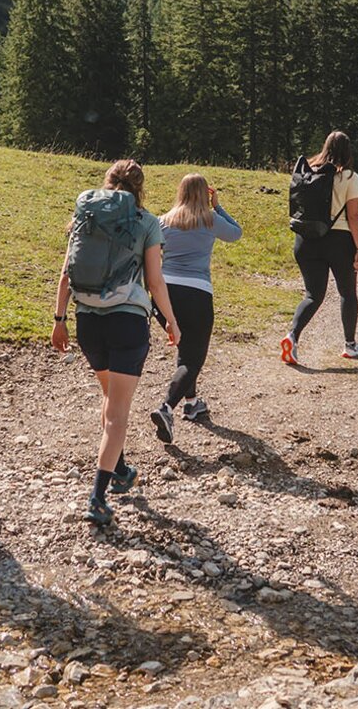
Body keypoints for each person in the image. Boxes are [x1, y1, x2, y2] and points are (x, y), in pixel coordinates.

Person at [52, 159, 179, 527]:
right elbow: (155, 282)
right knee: (118, 416)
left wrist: (59, 320)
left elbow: (66, 273)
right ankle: (98, 496)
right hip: (127, 323)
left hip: (87, 320)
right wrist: (171, 321)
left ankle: (120, 469)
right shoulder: (147, 222)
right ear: (141, 187)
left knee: (110, 400)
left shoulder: (85, 218)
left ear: (106, 183)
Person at [148, 173, 242, 444]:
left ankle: (192, 403)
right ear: (205, 194)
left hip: (163, 294)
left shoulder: (162, 221)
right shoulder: (210, 219)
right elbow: (236, 233)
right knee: (193, 358)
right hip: (196, 293)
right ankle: (166, 407)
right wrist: (217, 206)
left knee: (184, 347)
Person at [281, 131, 358, 365]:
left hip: (305, 239)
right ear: (348, 151)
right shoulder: (349, 177)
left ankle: (292, 336)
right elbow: (354, 215)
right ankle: (350, 346)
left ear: (325, 146)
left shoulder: (307, 170)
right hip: (339, 241)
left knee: (313, 295)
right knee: (347, 293)